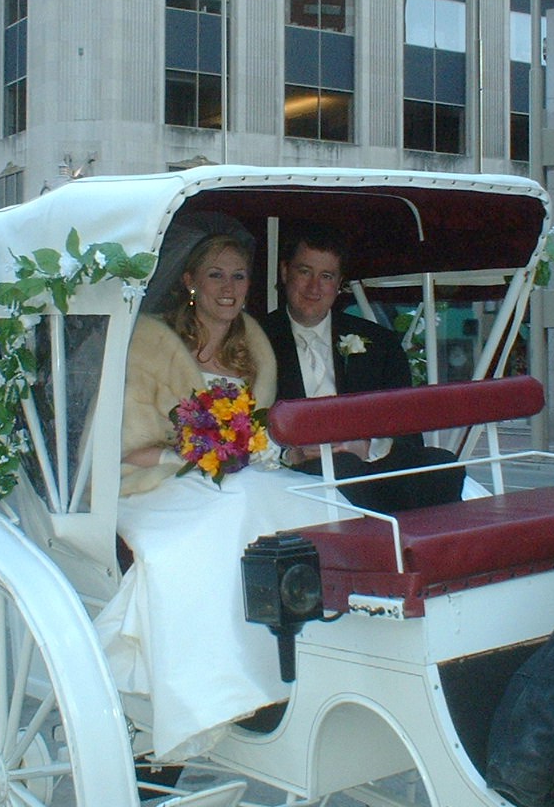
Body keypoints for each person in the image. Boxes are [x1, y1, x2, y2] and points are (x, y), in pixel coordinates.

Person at [96, 225, 349, 762]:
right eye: (216, 275)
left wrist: (253, 452)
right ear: (189, 281)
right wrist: (191, 454)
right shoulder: (149, 343)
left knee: (308, 500)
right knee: (237, 504)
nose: (228, 287)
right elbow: (124, 447)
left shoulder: (252, 349)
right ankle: (212, 682)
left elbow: (258, 436)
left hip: (236, 477)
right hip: (155, 483)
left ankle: (297, 657)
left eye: (239, 276)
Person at [261, 223, 462, 512]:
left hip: (369, 464)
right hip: (295, 473)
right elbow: (244, 425)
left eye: (326, 276)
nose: (314, 287)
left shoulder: (380, 342)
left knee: (443, 464)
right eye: (304, 272)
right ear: (285, 272)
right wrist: (290, 453)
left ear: (338, 283)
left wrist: (367, 447)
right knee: (343, 467)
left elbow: (408, 430)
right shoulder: (254, 340)